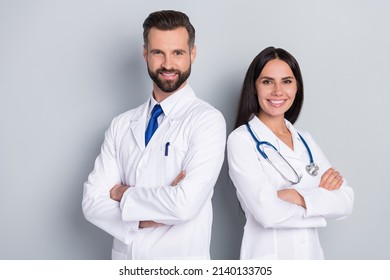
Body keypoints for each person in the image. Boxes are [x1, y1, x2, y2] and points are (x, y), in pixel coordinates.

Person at [82, 10, 226, 260]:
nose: (168, 64)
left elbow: (184, 205)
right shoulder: (122, 124)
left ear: (193, 53)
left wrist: (122, 194)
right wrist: (137, 221)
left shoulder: (207, 120)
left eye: (178, 53)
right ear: (145, 54)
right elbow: (92, 203)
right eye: (158, 52)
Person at [227, 46, 354, 260]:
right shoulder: (241, 140)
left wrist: (296, 196)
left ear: (297, 87)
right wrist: (319, 205)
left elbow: (346, 201)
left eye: (286, 81)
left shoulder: (305, 140)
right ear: (254, 87)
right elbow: (267, 214)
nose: (278, 91)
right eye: (267, 81)